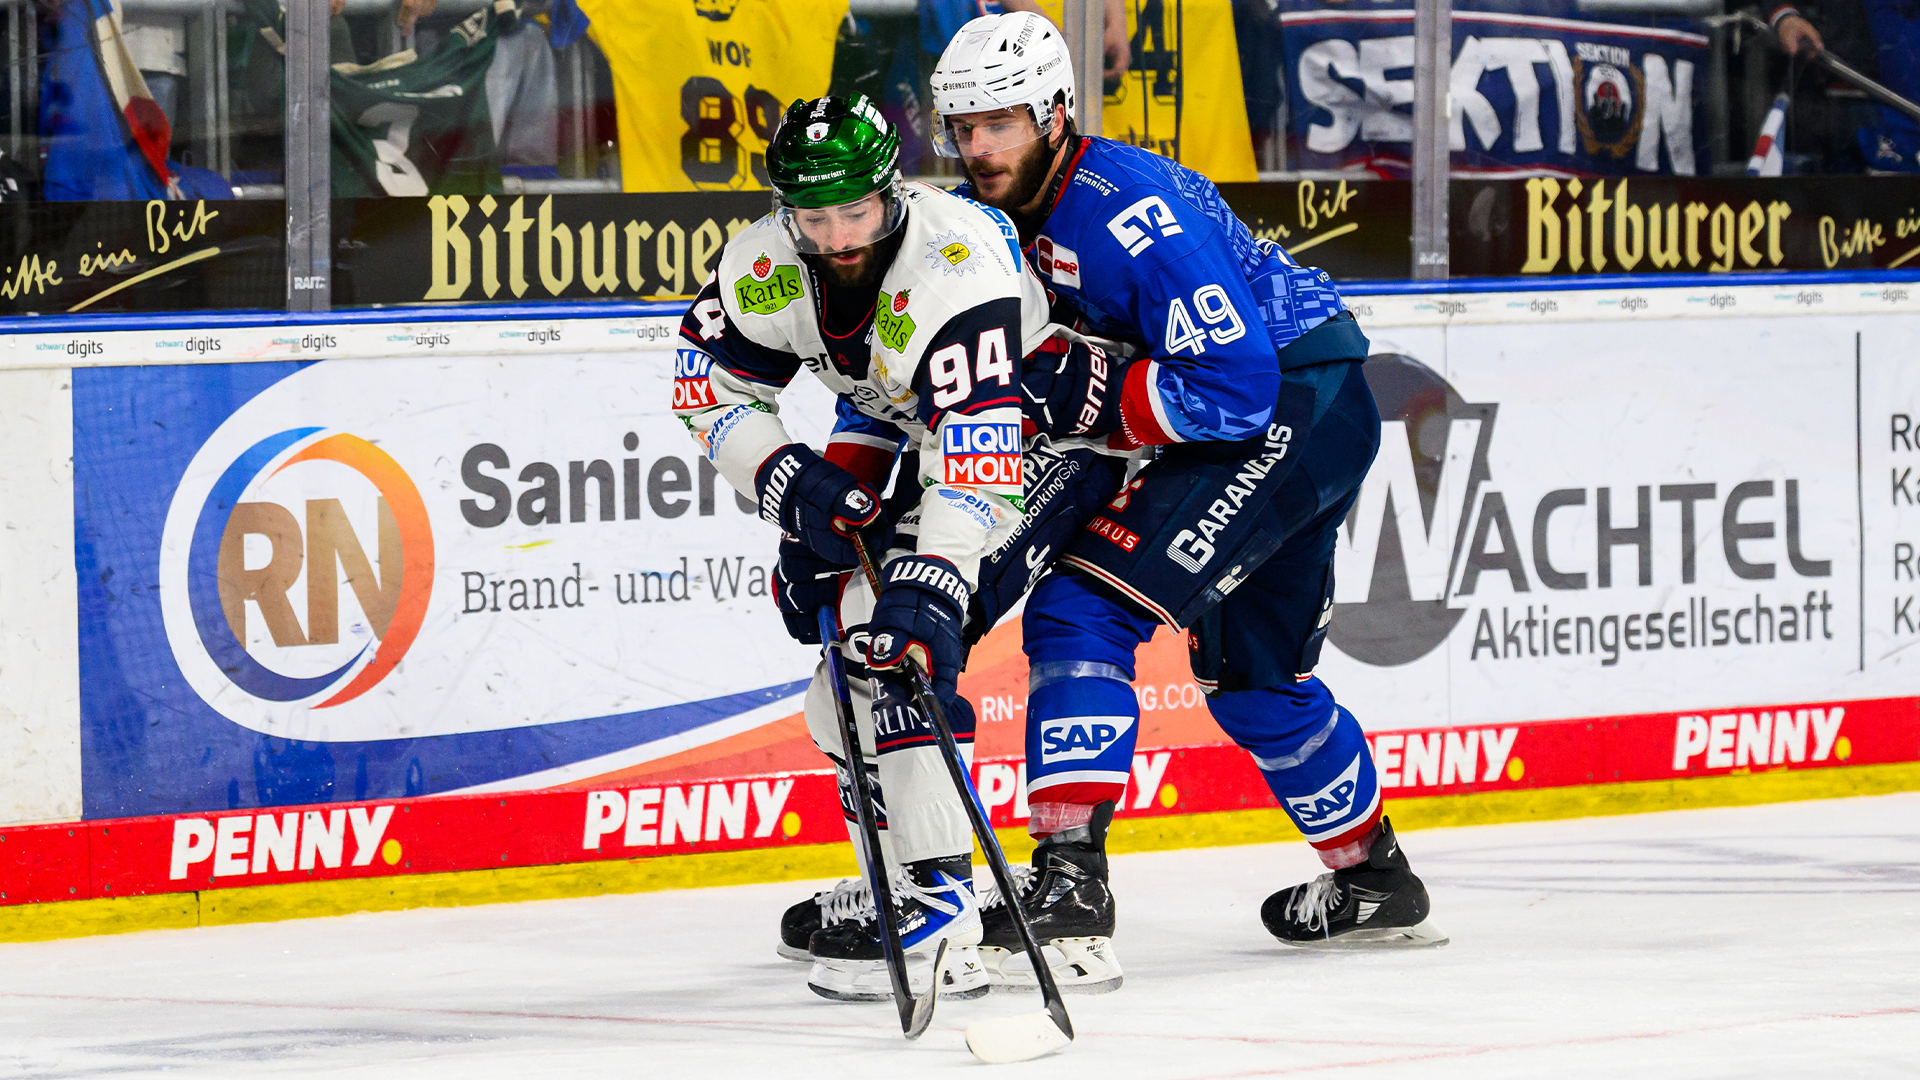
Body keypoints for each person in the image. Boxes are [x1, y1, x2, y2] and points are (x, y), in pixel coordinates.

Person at [924, 11, 1447, 985]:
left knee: (1084, 604)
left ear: (1054, 112)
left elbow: (1234, 384)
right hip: (1276, 407)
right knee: (1255, 684)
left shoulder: (1127, 208)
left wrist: (1094, 408)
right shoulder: (982, 224)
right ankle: (1376, 881)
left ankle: (1071, 879)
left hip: (1293, 399)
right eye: (962, 128)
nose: (980, 148)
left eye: (1000, 124)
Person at [669, 93, 1131, 1000]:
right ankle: (910, 880)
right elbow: (702, 381)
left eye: (858, 211)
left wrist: (936, 581)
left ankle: (940, 903)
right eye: (814, 215)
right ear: (782, 209)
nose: (839, 236)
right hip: (924, 439)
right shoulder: (764, 265)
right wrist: (790, 485)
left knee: (893, 637)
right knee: (835, 683)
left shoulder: (951, 265)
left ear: (893, 193)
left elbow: (981, 445)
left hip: (1048, 442)